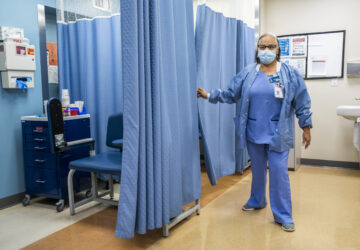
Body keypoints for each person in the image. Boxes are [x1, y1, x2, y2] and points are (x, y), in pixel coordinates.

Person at [197, 33, 312, 232]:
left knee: (278, 173)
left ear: (278, 49)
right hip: (254, 131)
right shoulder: (249, 72)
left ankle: (283, 214)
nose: (266, 50)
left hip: (279, 132)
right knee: (257, 171)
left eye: (270, 46)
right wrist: (209, 95)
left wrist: (306, 127)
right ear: (257, 49)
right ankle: (257, 200)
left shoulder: (289, 74)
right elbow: (231, 93)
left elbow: (302, 102)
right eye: (262, 46)